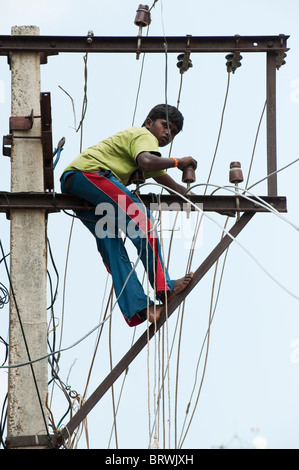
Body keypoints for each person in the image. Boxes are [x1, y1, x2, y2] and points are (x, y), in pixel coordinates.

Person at [60, 104, 197, 327]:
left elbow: (177, 191)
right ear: (149, 122)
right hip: (90, 175)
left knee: (112, 247)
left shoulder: (148, 151)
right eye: (165, 126)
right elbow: (147, 162)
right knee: (143, 225)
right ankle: (164, 287)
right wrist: (178, 162)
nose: (167, 134)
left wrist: (221, 207)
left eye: (173, 132)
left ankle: (141, 308)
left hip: (78, 184)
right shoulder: (143, 136)